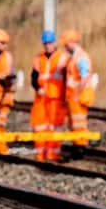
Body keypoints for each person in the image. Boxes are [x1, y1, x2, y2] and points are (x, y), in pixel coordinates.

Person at [30, 30, 68, 162]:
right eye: (45, 43)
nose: (47, 46)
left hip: (56, 99)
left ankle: (53, 155)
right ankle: (40, 155)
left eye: (50, 43)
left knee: (55, 127)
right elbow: (34, 78)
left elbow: (66, 78)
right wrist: (38, 88)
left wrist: (66, 98)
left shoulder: (62, 58)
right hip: (41, 98)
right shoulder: (38, 58)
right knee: (39, 126)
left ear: (54, 43)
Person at [61, 29, 95, 159]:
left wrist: (77, 93)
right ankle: (78, 146)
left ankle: (80, 148)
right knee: (75, 123)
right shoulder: (74, 57)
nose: (65, 46)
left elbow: (84, 76)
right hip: (73, 95)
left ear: (72, 42)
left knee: (78, 122)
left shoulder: (80, 57)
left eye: (66, 44)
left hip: (78, 96)